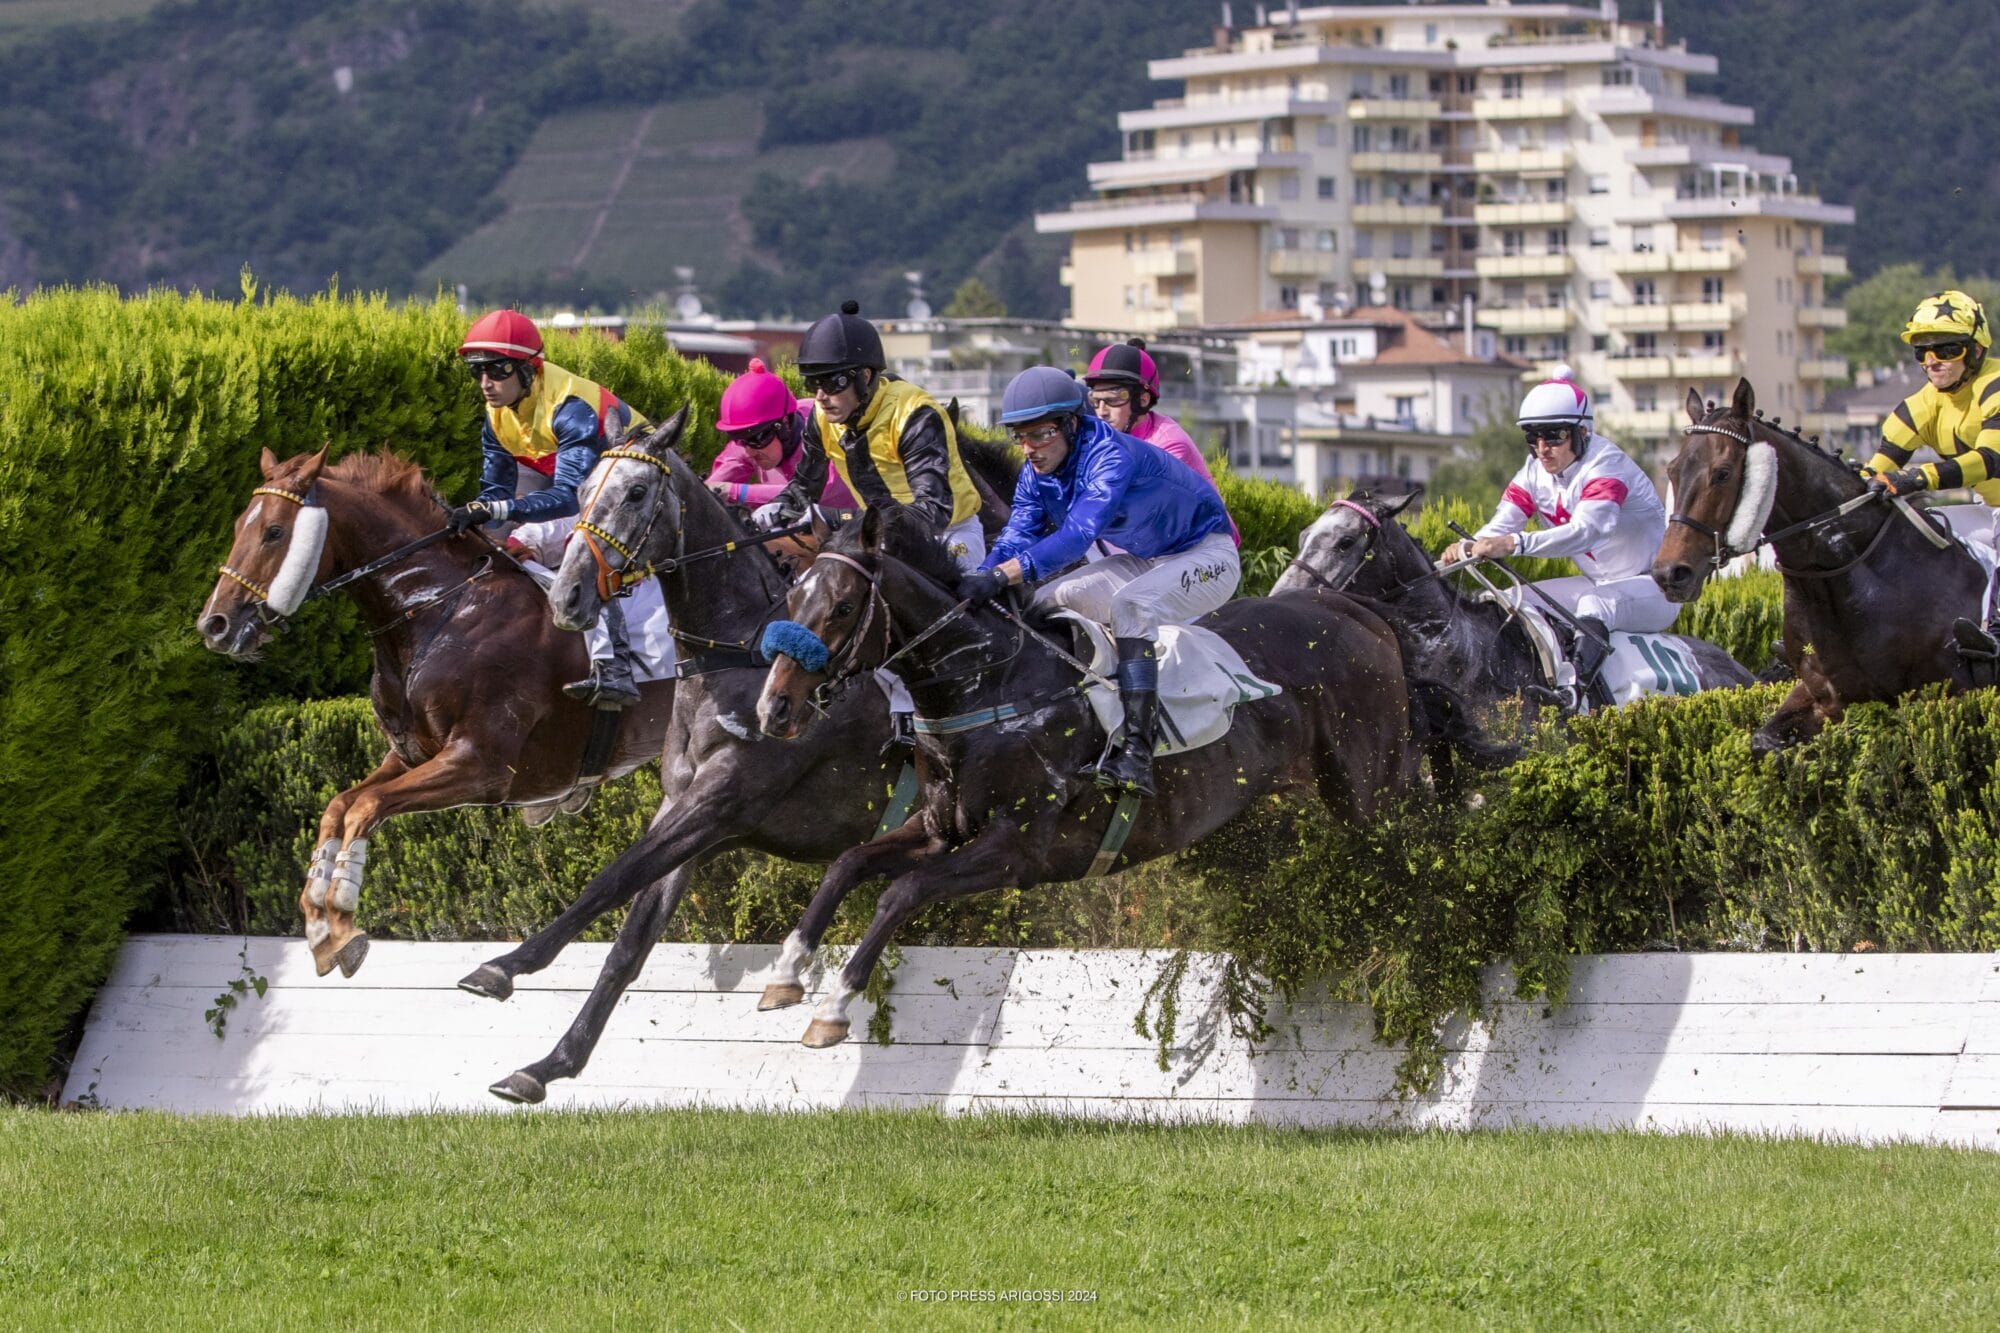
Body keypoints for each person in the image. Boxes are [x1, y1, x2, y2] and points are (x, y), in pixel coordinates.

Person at [963, 366, 1239, 796]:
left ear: (1071, 423)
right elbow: (1016, 536)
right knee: (1047, 602)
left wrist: (1001, 575)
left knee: (1132, 607)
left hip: (1210, 556)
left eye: (1040, 434)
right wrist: (978, 579)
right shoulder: (1037, 473)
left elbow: (1075, 538)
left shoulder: (1110, 456)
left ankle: (1138, 753)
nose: (1029, 448)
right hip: (1146, 559)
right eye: (1020, 436)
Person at [453, 308, 652, 709]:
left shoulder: (571, 406)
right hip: (581, 483)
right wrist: (476, 517)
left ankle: (615, 668)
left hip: (636, 485)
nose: (486, 384)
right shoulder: (496, 416)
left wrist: (496, 508)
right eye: (477, 372)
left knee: (588, 547)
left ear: (530, 369)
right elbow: (495, 492)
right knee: (501, 545)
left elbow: (567, 497)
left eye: (497, 370)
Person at [1441, 367, 1672, 709]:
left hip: (1652, 590)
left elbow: (1587, 533)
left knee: (1595, 605)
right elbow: (1504, 522)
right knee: (1508, 600)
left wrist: (1516, 544)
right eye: (1533, 439)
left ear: (1582, 432)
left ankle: (1573, 691)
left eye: (1553, 436)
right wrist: (1469, 545)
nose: (1542, 449)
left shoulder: (1607, 465)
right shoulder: (1534, 469)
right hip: (1598, 583)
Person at [755, 301, 985, 568]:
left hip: (946, 536)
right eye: (813, 383)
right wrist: (777, 507)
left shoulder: (915, 415)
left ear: (864, 376)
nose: (820, 397)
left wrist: (840, 517)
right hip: (874, 539)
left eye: (832, 383)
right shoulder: (821, 418)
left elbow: (931, 512)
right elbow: (805, 489)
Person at [1861, 290, 2000, 659]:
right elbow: (1876, 470)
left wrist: (1919, 478)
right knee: (1917, 529)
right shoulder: (1921, 405)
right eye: (1922, 352)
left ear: (1976, 351)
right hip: (1990, 507)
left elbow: (1991, 459)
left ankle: (1997, 637)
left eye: (1947, 350)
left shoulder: (1996, 383)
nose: (1932, 362)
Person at [1082, 338, 1237, 543]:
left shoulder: (1169, 444)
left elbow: (1138, 512)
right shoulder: (1106, 438)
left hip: (1206, 551)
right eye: (1096, 400)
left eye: (1113, 400)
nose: (1102, 412)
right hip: (1155, 546)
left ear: (1143, 400)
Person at [704, 357, 858, 512]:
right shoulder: (748, 443)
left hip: (852, 520)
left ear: (784, 424)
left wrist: (735, 492)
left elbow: (814, 492)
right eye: (740, 440)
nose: (749, 451)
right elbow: (712, 488)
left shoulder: (829, 426)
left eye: (756, 439)